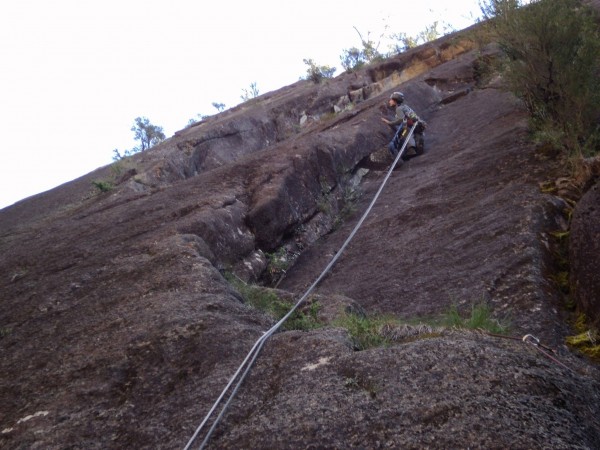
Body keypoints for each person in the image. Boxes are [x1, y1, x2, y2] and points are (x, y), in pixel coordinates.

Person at [381, 92, 426, 159]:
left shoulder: (399, 109)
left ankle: (411, 149)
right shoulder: (405, 107)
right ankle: (417, 146)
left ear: (395, 101)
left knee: (404, 133)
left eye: (391, 100)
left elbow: (400, 120)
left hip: (413, 126)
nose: (389, 101)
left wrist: (389, 123)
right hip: (418, 125)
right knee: (406, 130)